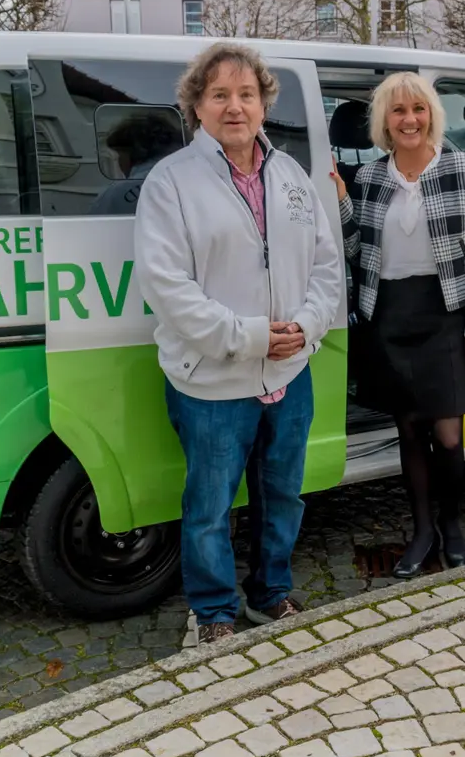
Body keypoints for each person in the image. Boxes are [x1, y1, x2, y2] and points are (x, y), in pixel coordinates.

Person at [134, 43, 343, 644]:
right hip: (214, 379)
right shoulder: (171, 182)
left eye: (246, 94)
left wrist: (308, 325)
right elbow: (167, 287)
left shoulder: (291, 175)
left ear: (263, 104)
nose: (235, 106)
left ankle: (271, 594)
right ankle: (215, 612)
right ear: (196, 106)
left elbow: (326, 265)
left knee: (283, 496)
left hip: (289, 371)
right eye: (219, 95)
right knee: (209, 506)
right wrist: (248, 337)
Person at [330, 73, 465, 579]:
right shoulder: (371, 177)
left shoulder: (462, 168)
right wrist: (342, 201)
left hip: (446, 311)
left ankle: (452, 524)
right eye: (398, 110)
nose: (409, 120)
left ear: (431, 115)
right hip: (390, 313)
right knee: (409, 430)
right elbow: (358, 251)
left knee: (448, 435)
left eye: (418, 109)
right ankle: (422, 531)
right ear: (385, 120)